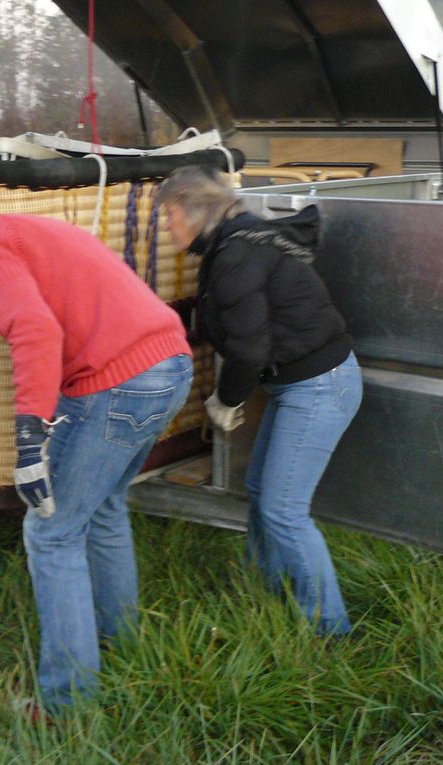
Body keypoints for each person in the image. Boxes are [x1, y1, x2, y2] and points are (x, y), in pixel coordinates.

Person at [0, 189, 194, 713]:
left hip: (118, 382)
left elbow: (33, 329)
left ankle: (66, 705)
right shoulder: (36, 231)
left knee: (52, 532)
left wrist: (29, 440)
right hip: (170, 366)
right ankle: (122, 640)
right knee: (105, 508)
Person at [158, 165, 362, 636]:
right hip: (303, 382)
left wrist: (225, 401)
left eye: (168, 215)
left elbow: (249, 348)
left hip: (319, 385)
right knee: (261, 492)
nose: (166, 227)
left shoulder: (236, 253)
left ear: (193, 210)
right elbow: (226, 315)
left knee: (283, 510)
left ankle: (330, 629)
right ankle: (262, 591)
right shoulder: (240, 241)